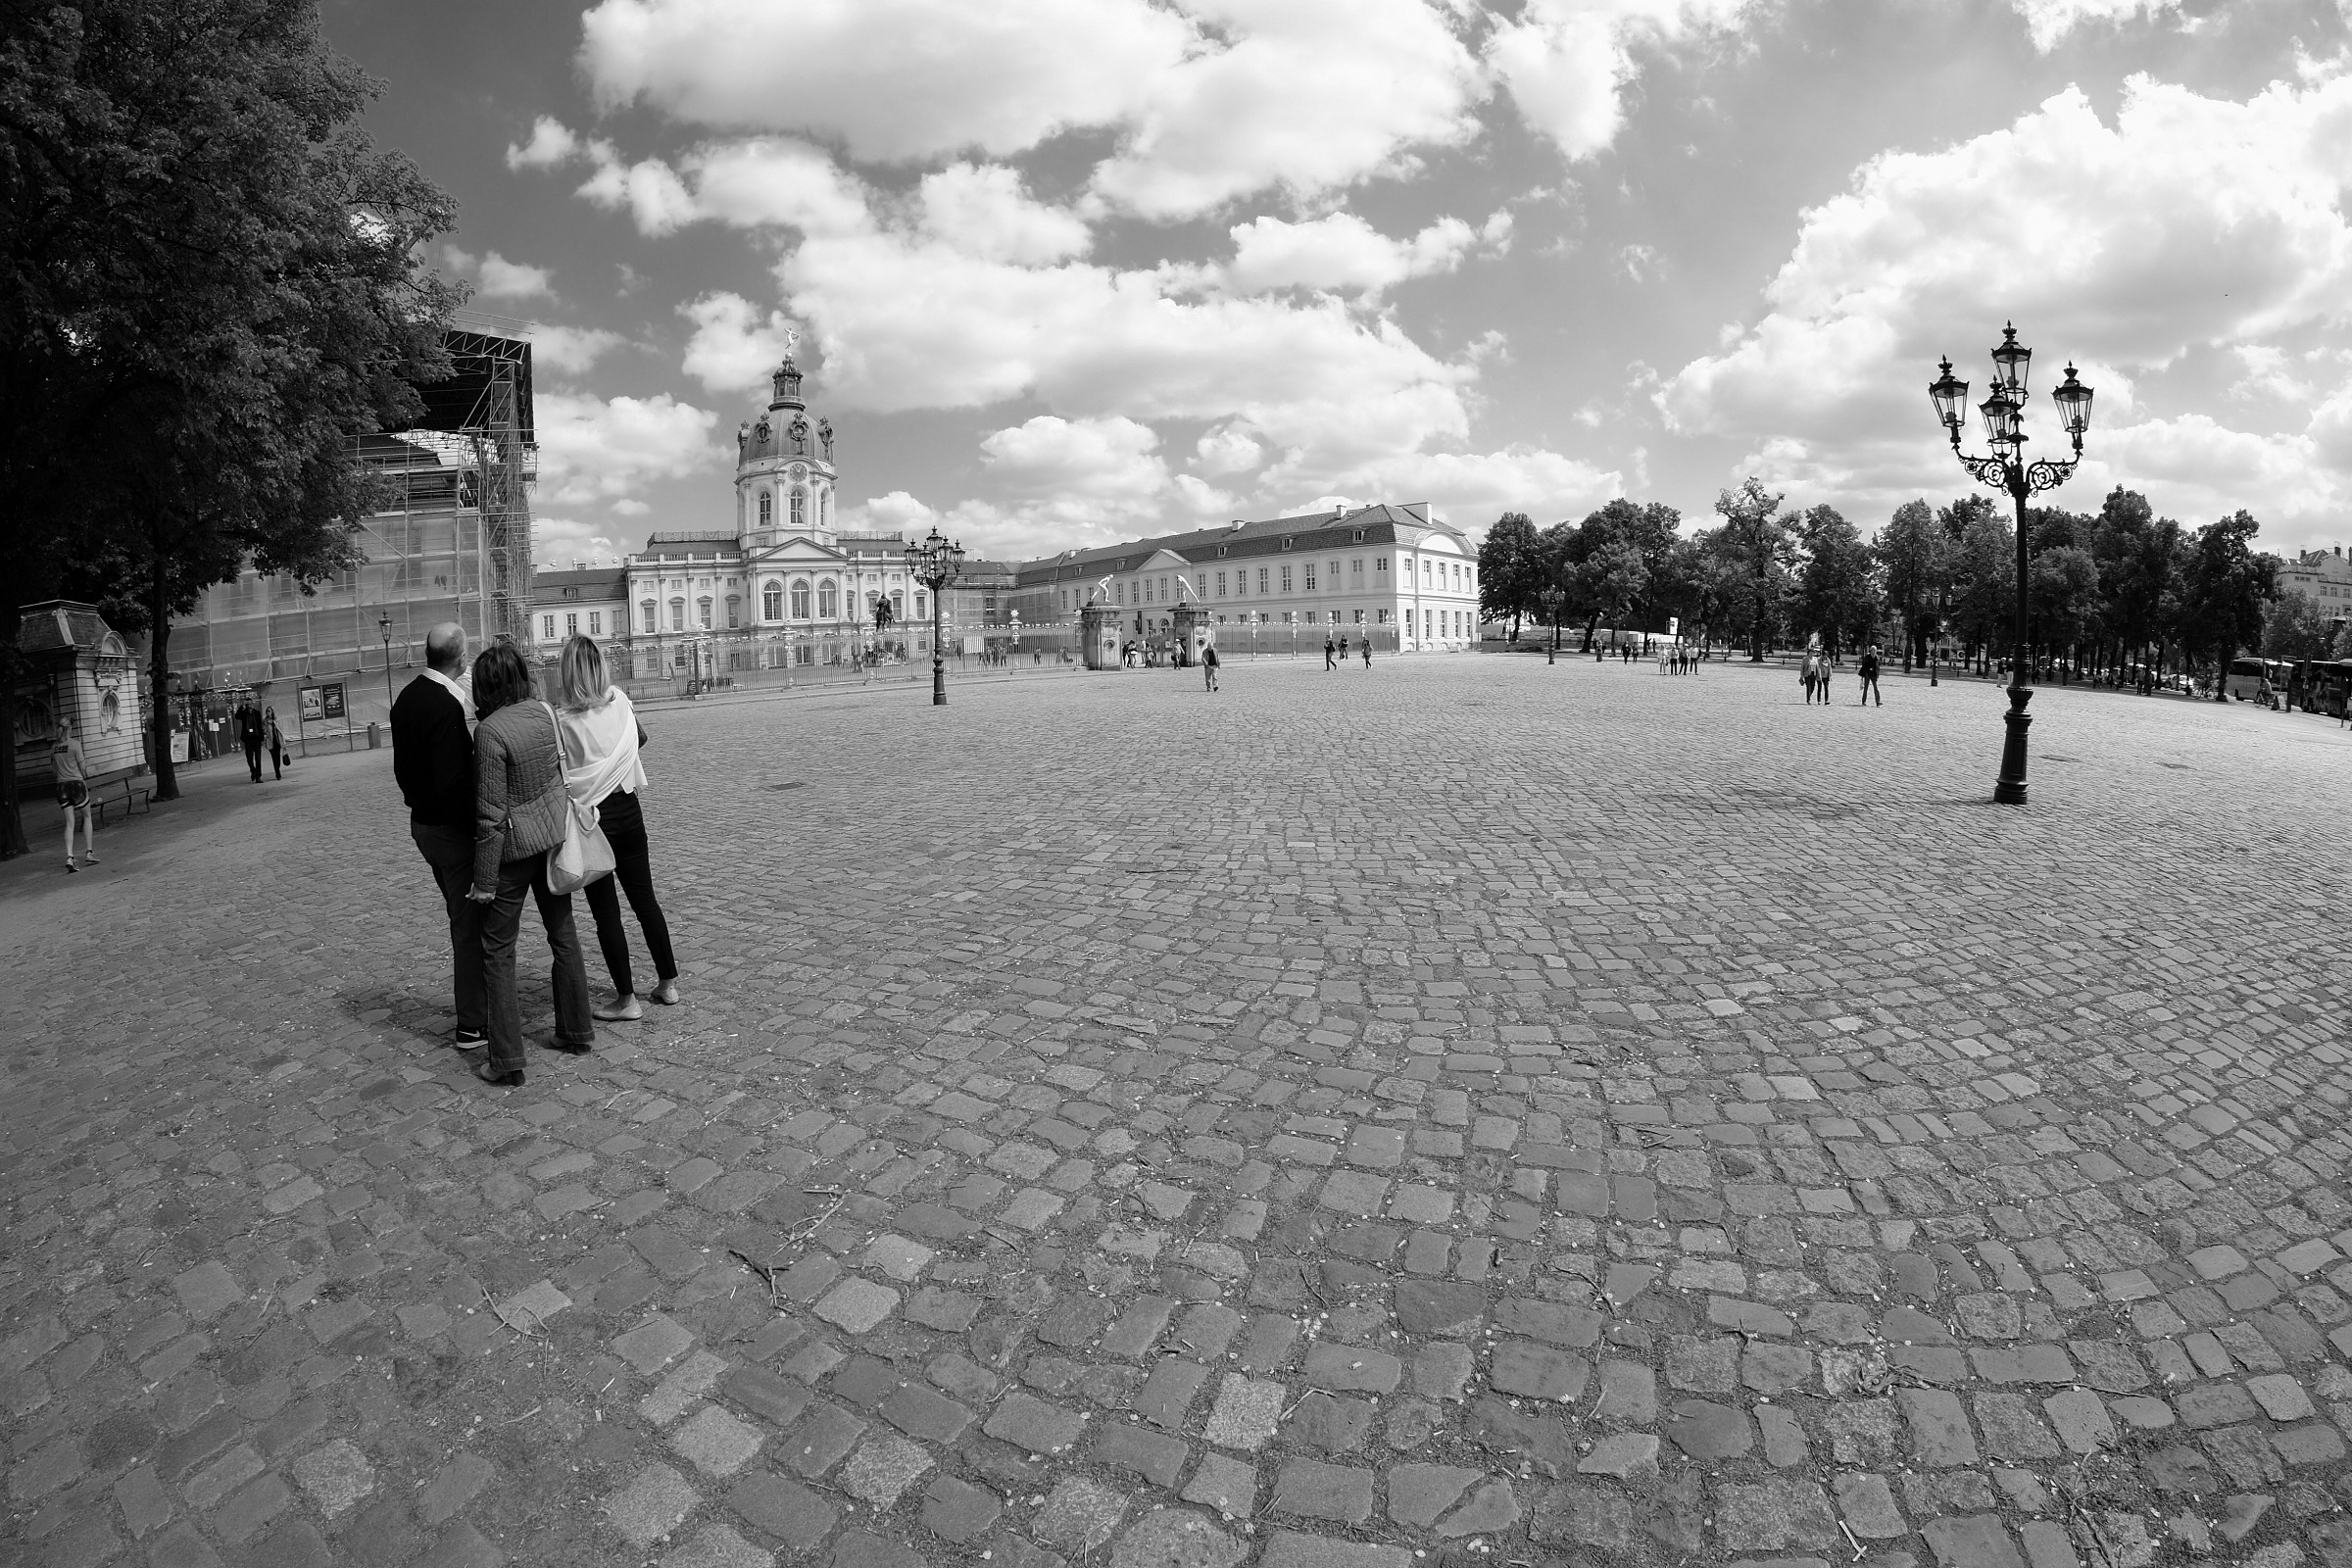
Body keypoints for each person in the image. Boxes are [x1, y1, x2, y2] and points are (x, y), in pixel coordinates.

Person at [464, 642, 595, 1087]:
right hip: (552, 837)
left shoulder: (489, 733)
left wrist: (483, 881)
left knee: (498, 952)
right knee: (563, 935)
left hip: (514, 852)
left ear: (484, 687)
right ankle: (576, 1029)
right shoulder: (543, 711)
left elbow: (489, 815)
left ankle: (507, 1058)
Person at [554, 634, 680, 1021]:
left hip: (591, 820)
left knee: (606, 913)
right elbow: (639, 738)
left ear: (567, 671)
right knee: (645, 901)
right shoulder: (620, 699)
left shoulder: (562, 719)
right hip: (628, 810)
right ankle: (668, 982)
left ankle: (627, 1000)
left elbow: (561, 773)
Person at [392, 623, 485, 1049]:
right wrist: (479, 833)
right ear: (461, 659)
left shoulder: (406, 698)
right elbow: (453, 785)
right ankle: (472, 1023)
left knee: (459, 916)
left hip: (423, 826)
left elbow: (401, 771)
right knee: (468, 928)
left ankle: (477, 1010)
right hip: (450, 832)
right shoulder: (446, 706)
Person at [55, 716, 96, 871]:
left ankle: (70, 857)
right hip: (76, 785)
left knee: (69, 823)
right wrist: (84, 772)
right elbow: (83, 767)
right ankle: (89, 852)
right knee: (87, 817)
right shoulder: (75, 745)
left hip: (61, 787)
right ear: (70, 728)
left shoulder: (53, 747)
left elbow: (54, 769)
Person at [236, 700, 265, 781]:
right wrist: (242, 706)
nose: (249, 706)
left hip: (256, 738)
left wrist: (261, 738)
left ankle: (258, 776)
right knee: (249, 759)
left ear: (253, 704)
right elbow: (237, 716)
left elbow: (259, 725)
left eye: (250, 704)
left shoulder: (257, 713)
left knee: (258, 759)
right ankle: (253, 770)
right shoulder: (244, 713)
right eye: (247, 704)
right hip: (248, 739)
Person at [265, 705, 287, 779]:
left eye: (269, 711)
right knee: (274, 758)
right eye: (267, 711)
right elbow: (263, 729)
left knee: (278, 757)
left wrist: (283, 742)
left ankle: (278, 770)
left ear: (272, 712)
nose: (268, 713)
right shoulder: (265, 721)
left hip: (277, 741)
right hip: (270, 742)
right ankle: (278, 773)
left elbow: (280, 732)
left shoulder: (276, 720)